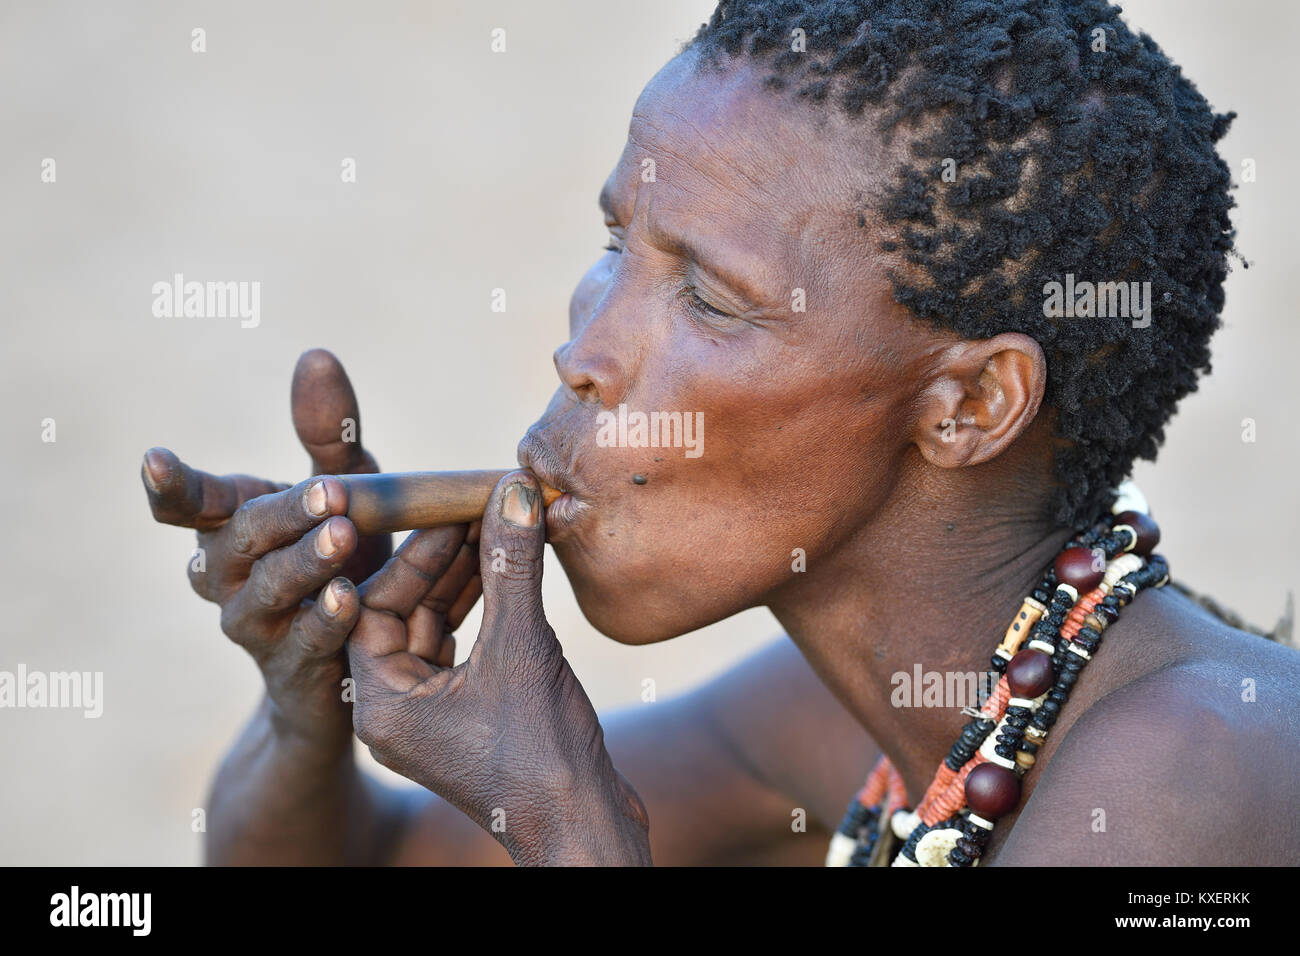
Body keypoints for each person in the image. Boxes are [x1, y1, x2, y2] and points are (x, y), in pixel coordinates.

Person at [142, 0, 1300, 865]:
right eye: (617, 246)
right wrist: (314, 697)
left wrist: (564, 819)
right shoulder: (856, 716)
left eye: (707, 295)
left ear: (968, 405)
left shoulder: (1182, 781)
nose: (583, 352)